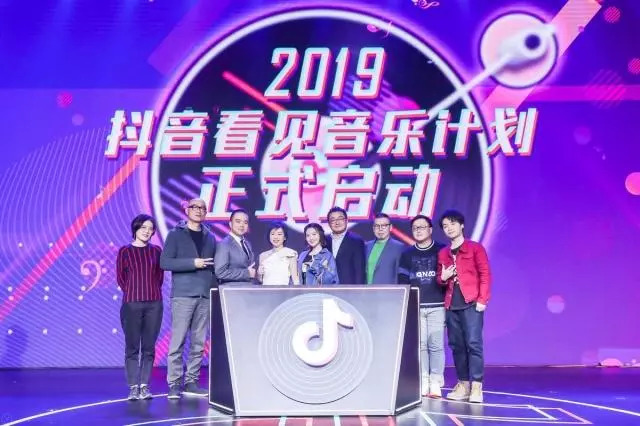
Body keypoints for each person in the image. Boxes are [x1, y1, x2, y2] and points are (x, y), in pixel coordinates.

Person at [160, 198, 217, 399]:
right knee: (178, 341)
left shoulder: (210, 237)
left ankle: (191, 381)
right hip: (183, 295)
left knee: (199, 343)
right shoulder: (175, 235)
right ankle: (174, 383)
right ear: (187, 210)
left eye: (202, 208)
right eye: (195, 207)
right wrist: (193, 263)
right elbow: (165, 262)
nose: (199, 210)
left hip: (204, 295)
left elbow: (213, 267)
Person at [437, 209, 491, 403]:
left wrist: (482, 300)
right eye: (445, 226)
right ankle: (463, 384)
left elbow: (485, 274)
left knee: (473, 344)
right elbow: (440, 279)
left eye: (452, 224)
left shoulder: (475, 248)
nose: (449, 228)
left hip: (471, 303)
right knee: (457, 346)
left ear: (461, 225)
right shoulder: (443, 253)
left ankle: (477, 386)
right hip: (452, 305)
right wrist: (443, 278)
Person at [116, 214, 164, 401]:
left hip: (154, 304)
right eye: (143, 227)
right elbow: (121, 278)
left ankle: (144, 386)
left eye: (150, 228)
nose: (147, 231)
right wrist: (133, 293)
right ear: (135, 228)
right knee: (132, 347)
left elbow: (159, 277)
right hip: (132, 304)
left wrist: (150, 292)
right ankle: (133, 387)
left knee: (149, 347)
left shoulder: (156, 251)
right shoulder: (125, 251)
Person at [398, 215, 446, 397]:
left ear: (430, 229)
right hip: (417, 305)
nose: (418, 231)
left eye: (422, 227)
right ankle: (424, 380)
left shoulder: (442, 250)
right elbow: (402, 281)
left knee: (436, 345)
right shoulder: (407, 254)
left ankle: (436, 381)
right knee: (421, 345)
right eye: (415, 228)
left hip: (437, 305)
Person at [214, 209, 256, 285]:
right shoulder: (224, 244)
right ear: (230, 224)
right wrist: (247, 273)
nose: (242, 225)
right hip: (231, 289)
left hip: (247, 288)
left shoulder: (247, 243)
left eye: (245, 222)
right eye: (238, 221)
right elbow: (220, 272)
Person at [325, 207, 366, 284]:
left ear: (346, 221)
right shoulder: (324, 241)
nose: (337, 222)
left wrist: (358, 289)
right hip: (327, 287)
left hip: (348, 287)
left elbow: (359, 270)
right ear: (329, 223)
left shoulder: (356, 241)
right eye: (333, 220)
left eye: (340, 218)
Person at [365, 213, 405, 284]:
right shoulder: (366, 246)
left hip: (387, 289)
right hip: (366, 289)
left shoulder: (398, 247)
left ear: (390, 227)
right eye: (377, 226)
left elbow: (399, 274)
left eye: (384, 226)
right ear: (373, 228)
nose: (380, 229)